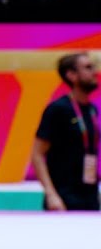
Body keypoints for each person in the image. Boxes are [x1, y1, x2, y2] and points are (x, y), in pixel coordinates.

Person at [32, 53, 99, 211]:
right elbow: (37, 154)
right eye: (88, 68)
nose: (94, 72)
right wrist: (51, 194)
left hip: (90, 196)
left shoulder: (92, 110)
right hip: (63, 197)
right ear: (71, 75)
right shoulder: (58, 110)